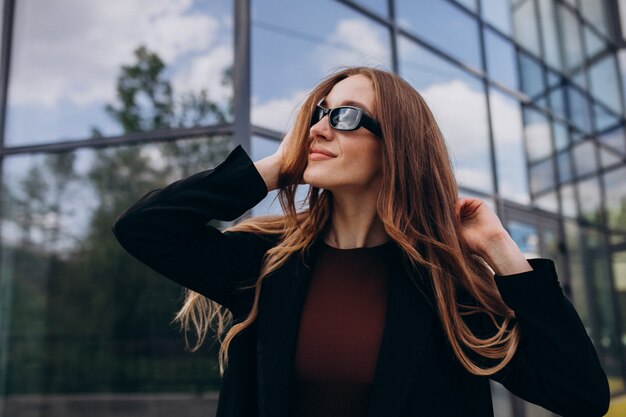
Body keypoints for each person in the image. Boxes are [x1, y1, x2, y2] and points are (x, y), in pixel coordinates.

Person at [112, 67, 610, 417]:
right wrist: (275, 167)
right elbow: (144, 228)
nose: (321, 127)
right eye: (319, 114)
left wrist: (501, 250)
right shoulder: (265, 262)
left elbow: (580, 395)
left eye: (346, 117)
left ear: (397, 147)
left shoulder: (446, 286)